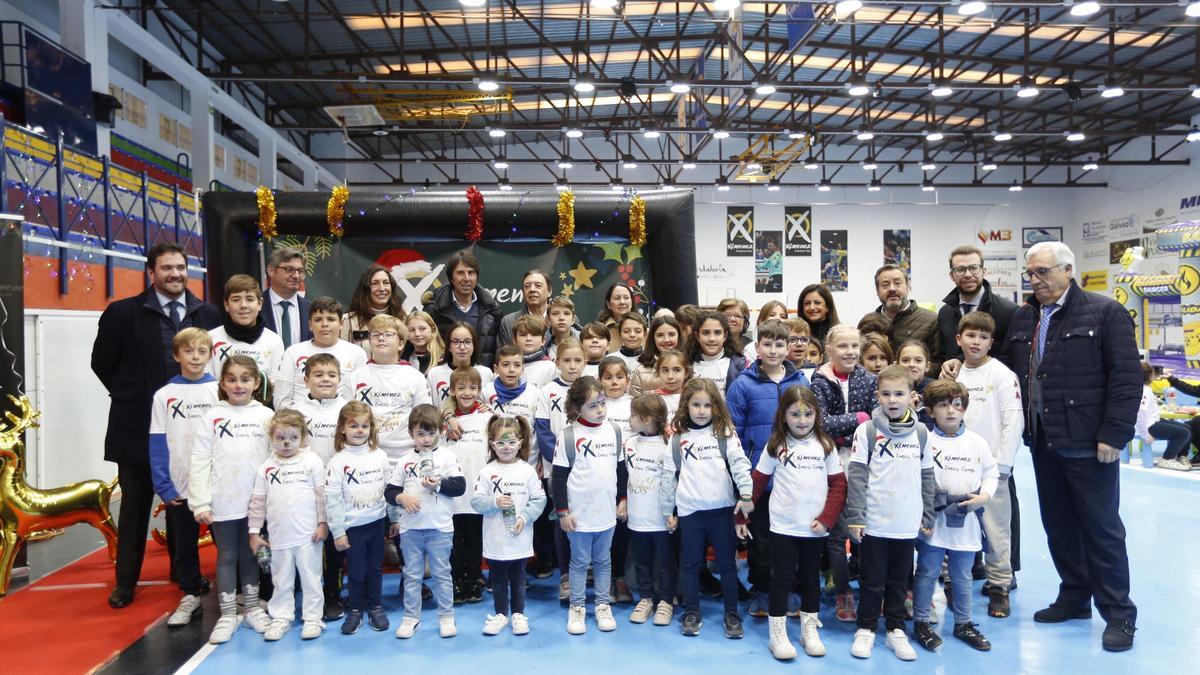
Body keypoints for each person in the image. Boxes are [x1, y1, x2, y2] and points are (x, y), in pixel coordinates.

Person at [1008, 241, 1139, 652]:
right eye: (1031, 273)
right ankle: (1075, 595)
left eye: (1043, 272)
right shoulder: (1025, 317)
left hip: (1089, 441)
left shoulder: (1105, 313)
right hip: (1044, 439)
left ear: (1068, 270)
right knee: (1059, 524)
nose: (1036, 280)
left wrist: (1114, 434)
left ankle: (1119, 614)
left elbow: (1126, 378)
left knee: (1101, 529)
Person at [92, 241, 220, 609]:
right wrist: (135, 397)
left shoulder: (206, 314)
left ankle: (182, 572)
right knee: (135, 507)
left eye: (180, 267)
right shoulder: (123, 313)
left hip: (191, 434)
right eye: (167, 268)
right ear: (152, 272)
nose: (175, 274)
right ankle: (126, 582)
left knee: (185, 504)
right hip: (137, 429)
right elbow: (102, 363)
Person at [746, 386, 846, 660]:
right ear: (784, 416)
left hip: (814, 528)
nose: (802, 420)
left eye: (808, 413)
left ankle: (808, 629)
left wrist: (826, 519)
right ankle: (777, 634)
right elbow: (757, 482)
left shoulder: (825, 446)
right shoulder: (776, 445)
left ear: (816, 414)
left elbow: (838, 485)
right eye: (795, 414)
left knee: (810, 579)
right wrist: (742, 514)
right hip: (783, 527)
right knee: (781, 578)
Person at [845, 364, 935, 662]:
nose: (893, 400)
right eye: (886, 394)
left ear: (913, 397)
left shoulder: (922, 433)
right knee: (871, 579)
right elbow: (857, 476)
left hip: (906, 522)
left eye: (899, 394)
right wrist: (856, 516)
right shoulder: (867, 431)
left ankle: (896, 628)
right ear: (877, 396)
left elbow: (926, 477)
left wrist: (928, 514)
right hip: (875, 521)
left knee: (899, 579)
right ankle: (866, 627)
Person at [725, 320, 809, 616]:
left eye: (779, 344)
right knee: (760, 539)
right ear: (757, 347)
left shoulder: (800, 382)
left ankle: (790, 590)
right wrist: (743, 476)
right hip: (757, 477)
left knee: (790, 538)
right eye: (767, 344)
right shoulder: (742, 385)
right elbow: (732, 431)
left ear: (788, 348)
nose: (773, 350)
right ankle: (761, 589)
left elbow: (810, 426)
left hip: (794, 477)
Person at [189, 355, 274, 643]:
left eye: (245, 379)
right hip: (223, 500)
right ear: (223, 383)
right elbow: (200, 459)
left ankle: (251, 608)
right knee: (227, 556)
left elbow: (275, 458)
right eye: (232, 379)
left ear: (256, 383)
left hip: (256, 503)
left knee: (252, 554)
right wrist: (199, 501)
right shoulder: (212, 416)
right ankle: (227, 614)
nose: (239, 385)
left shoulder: (265, 415)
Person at [910, 380, 997, 653]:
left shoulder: (977, 443)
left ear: (964, 409)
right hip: (934, 521)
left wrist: (984, 496)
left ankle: (964, 623)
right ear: (930, 410)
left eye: (957, 405)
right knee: (927, 572)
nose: (950, 411)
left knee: (962, 575)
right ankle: (921, 621)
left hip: (966, 519)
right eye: (943, 405)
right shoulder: (923, 438)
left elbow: (991, 473)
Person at [665, 378, 754, 639]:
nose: (702, 410)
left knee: (727, 564)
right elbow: (668, 478)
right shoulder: (677, 439)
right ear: (686, 406)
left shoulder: (725, 434)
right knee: (691, 564)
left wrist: (746, 493)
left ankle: (731, 613)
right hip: (690, 512)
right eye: (696, 405)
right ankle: (692, 611)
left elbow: (739, 465)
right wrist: (666, 511)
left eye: (707, 405)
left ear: (716, 406)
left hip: (721, 510)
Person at [954, 312, 1025, 618]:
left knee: (996, 533)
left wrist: (1003, 464)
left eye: (983, 337)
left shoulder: (1001, 374)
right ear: (959, 339)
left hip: (991, 469)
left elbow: (1014, 420)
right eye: (971, 336)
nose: (976, 342)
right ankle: (953, 581)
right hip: (956, 467)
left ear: (991, 342)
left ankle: (999, 587)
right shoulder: (954, 375)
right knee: (956, 529)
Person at [149, 328, 219, 627]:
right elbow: (156, 441)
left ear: (210, 355)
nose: (195, 357)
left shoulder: (219, 391)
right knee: (184, 546)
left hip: (216, 486)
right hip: (179, 485)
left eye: (201, 351)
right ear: (177, 355)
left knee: (225, 542)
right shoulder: (164, 396)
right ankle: (190, 593)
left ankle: (237, 591)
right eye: (188, 351)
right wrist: (163, 485)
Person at [809, 324, 876, 622]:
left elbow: (874, 422)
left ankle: (871, 585)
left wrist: (849, 429)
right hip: (831, 465)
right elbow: (820, 424)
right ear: (829, 350)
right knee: (837, 533)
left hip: (864, 463)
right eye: (843, 346)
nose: (849, 352)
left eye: (854, 346)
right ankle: (842, 591)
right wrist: (859, 418)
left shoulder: (870, 379)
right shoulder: (819, 380)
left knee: (864, 528)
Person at [553, 376, 626, 635]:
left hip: (606, 512)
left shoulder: (614, 430)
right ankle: (578, 606)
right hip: (579, 515)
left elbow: (620, 469)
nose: (600, 410)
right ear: (577, 408)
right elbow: (559, 477)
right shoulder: (569, 435)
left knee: (604, 560)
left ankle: (603, 604)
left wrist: (623, 500)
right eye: (593, 406)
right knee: (580, 561)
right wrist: (563, 511)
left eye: (602, 403)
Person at [248, 409, 329, 642]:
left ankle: (313, 618)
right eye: (280, 437)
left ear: (303, 438)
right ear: (271, 438)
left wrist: (323, 524)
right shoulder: (266, 467)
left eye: (293, 437)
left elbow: (321, 496)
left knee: (311, 578)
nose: (286, 443)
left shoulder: (311, 462)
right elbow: (257, 502)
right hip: (279, 537)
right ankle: (281, 616)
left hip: (308, 536)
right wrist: (254, 532)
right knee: (281, 579)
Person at [387, 404, 466, 639]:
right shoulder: (404, 461)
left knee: (442, 574)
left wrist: (439, 485)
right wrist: (401, 497)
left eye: (431, 433)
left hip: (440, 529)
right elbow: (390, 490)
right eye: (420, 433)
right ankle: (411, 618)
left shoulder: (447, 457)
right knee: (411, 575)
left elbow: (460, 486)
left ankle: (446, 617)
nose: (426, 439)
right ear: (411, 433)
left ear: (441, 432)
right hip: (411, 529)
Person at [471, 415, 546, 636]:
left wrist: (524, 518)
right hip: (495, 539)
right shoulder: (487, 472)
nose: (506, 447)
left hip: (520, 537)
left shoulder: (527, 471)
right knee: (498, 577)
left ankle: (519, 614)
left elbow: (539, 500)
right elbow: (476, 501)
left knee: (519, 576)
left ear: (521, 442)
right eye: (501, 443)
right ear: (492, 444)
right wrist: (494, 502)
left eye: (511, 442)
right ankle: (501, 614)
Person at [482, 345, 553, 579]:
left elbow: (541, 428)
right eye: (505, 365)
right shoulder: (486, 391)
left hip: (528, 467)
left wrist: (542, 459)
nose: (511, 370)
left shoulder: (534, 393)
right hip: (495, 468)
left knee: (529, 518)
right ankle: (497, 571)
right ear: (496, 368)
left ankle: (529, 565)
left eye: (516, 365)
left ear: (523, 368)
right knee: (498, 519)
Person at [291, 352, 350, 621]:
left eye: (331, 375)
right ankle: (310, 597)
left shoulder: (348, 409)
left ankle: (334, 595)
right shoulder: (296, 411)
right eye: (318, 375)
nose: (325, 380)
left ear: (340, 379)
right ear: (306, 380)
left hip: (340, 493)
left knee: (335, 549)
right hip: (305, 492)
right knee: (310, 546)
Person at [325, 401, 391, 635]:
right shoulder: (338, 462)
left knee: (374, 568)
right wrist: (338, 532)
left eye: (365, 425)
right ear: (342, 428)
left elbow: (388, 488)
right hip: (353, 528)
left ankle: (375, 606)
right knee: (356, 570)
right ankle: (355, 609)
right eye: (354, 426)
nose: (360, 430)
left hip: (376, 523)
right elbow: (331, 499)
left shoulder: (380, 455)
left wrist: (392, 520)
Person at [534, 337, 588, 599]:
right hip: (557, 467)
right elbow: (542, 430)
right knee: (562, 519)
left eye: (578, 360)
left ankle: (589, 569)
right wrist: (561, 457)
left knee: (587, 515)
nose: (572, 366)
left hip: (589, 464)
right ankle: (566, 574)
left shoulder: (591, 389)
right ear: (557, 363)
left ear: (585, 362)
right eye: (567, 360)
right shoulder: (547, 392)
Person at [350, 314, 433, 468]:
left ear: (401, 343)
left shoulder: (416, 377)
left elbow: (425, 419)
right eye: (376, 334)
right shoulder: (355, 376)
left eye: (388, 334)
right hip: (364, 456)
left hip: (406, 458)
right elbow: (347, 418)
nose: (381, 338)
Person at [441, 367, 494, 604]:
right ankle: (456, 580)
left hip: (477, 492)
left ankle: (474, 578)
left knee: (474, 540)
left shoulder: (488, 417)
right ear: (451, 391)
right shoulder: (445, 423)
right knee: (455, 542)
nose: (467, 392)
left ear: (480, 391)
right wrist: (447, 418)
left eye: (472, 388)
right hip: (452, 497)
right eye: (461, 388)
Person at [624, 394, 676, 627]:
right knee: (641, 560)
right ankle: (645, 598)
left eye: (633, 415)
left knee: (665, 562)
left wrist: (672, 512)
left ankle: (666, 600)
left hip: (661, 520)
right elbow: (624, 475)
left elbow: (673, 481)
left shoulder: (668, 446)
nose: (629, 419)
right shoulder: (630, 444)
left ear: (646, 418)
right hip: (637, 517)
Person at [273, 297, 368, 409]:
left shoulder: (356, 353)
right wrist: (292, 423)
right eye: (318, 320)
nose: (324, 324)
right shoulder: (293, 352)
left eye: (331, 319)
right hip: (299, 421)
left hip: (342, 420)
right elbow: (282, 397)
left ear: (341, 323)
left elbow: (359, 396)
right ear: (310, 325)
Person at [206, 275, 284, 404]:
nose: (243, 305)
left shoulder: (273, 340)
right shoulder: (211, 339)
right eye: (236, 300)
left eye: (250, 299)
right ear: (226, 304)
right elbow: (207, 385)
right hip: (220, 413)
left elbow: (275, 385)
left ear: (259, 304)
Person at [936, 245, 1018, 368]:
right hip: (954, 385)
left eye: (974, 268)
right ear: (952, 275)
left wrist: (961, 362)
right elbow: (943, 355)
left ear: (983, 271)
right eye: (960, 269)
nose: (968, 274)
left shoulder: (1008, 311)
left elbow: (1012, 358)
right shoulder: (945, 313)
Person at [424, 250, 503, 367]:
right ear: (451, 278)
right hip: (446, 378)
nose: (467, 278)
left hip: (482, 378)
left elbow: (498, 351)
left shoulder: (492, 311)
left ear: (477, 277)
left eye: (471, 273)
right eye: (460, 273)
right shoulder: (434, 310)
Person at [598, 356, 635, 603]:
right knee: (605, 529)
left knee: (623, 529)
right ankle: (607, 579)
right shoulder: (596, 405)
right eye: (608, 377)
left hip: (630, 474)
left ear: (628, 380)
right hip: (602, 473)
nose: (614, 382)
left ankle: (621, 577)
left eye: (619, 377)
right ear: (600, 380)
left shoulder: (634, 404)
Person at [873, 264, 940, 368]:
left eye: (897, 283)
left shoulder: (932, 321)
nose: (892, 289)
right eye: (885, 285)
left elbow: (939, 363)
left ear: (908, 287)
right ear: (877, 291)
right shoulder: (870, 323)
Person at [427, 322, 495, 410]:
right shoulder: (435, 374)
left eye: (467, 342)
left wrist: (489, 407)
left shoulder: (486, 373)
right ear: (449, 347)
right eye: (456, 342)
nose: (462, 347)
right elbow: (430, 409)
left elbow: (493, 404)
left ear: (474, 346)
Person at [1139, 363, 1193, 470]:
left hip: (1154, 421)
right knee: (1183, 432)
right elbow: (1140, 414)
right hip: (1148, 426)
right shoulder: (1144, 392)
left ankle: (1181, 456)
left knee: (1188, 428)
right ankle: (1166, 459)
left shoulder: (1147, 389)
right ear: (1150, 376)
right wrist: (1145, 433)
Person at [342, 264, 407, 352]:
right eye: (375, 283)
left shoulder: (403, 318)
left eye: (386, 282)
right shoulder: (348, 321)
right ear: (365, 289)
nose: (382, 288)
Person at [260, 246, 312, 349]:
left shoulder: (311, 309)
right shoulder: (255, 306)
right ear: (271, 270)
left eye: (300, 271)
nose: (296, 276)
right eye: (289, 269)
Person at [688, 312, 747, 393]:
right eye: (706, 333)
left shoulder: (739, 365)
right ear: (697, 336)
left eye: (717, 333)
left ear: (725, 336)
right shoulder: (687, 364)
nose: (712, 338)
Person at [498, 269, 553, 348]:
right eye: (527, 286)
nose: (532, 289)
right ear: (523, 293)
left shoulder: (564, 319)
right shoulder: (509, 322)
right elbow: (503, 356)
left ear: (549, 291)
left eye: (538, 285)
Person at [631, 315, 682, 396]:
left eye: (671, 334)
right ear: (653, 338)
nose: (666, 340)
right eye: (660, 335)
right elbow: (633, 404)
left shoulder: (689, 366)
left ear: (679, 336)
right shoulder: (640, 371)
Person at [513, 314, 557, 387]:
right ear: (515, 340)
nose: (529, 339)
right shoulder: (507, 366)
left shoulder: (551, 368)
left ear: (543, 340)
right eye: (523, 335)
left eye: (534, 335)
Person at [653, 349, 690, 423]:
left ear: (686, 373)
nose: (670, 376)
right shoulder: (652, 399)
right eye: (665, 371)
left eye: (677, 370)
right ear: (658, 373)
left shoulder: (690, 398)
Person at [545, 295, 580, 359]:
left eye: (566, 313)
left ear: (573, 319)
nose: (561, 318)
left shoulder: (584, 341)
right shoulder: (541, 345)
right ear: (548, 319)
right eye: (555, 313)